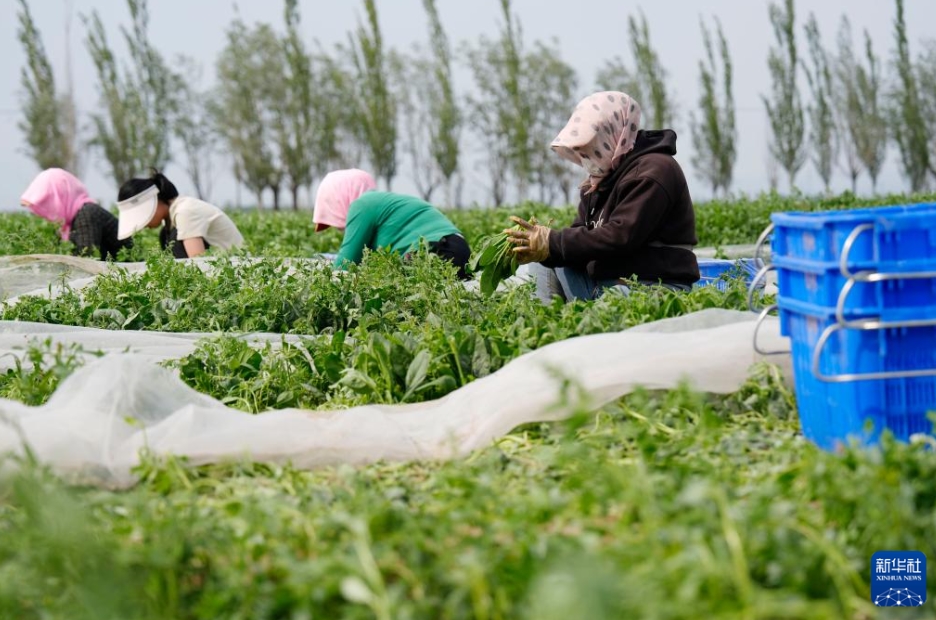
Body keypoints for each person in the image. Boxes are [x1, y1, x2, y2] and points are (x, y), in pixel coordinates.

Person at [507, 91, 700, 303]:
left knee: (616, 296)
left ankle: (586, 324)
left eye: (589, 147)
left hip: (654, 286)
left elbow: (621, 236)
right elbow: (579, 238)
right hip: (608, 282)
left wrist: (553, 241)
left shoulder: (654, 171)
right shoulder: (599, 182)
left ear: (612, 133)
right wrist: (544, 248)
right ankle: (546, 325)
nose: (584, 158)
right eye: (580, 152)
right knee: (542, 261)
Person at [313, 169, 471, 279]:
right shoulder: (381, 203)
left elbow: (344, 267)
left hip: (439, 250)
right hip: (459, 250)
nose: (339, 228)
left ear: (339, 199)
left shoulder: (362, 205)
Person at [116, 170, 244, 259]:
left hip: (233, 272)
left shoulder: (185, 212)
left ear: (156, 201)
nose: (143, 225)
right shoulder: (170, 223)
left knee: (174, 238)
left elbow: (199, 264)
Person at [20, 168, 133, 261]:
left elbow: (86, 258)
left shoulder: (87, 215)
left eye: (47, 203)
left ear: (60, 197)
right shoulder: (69, 223)